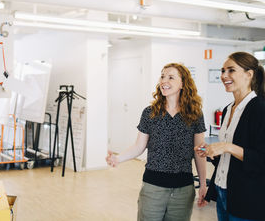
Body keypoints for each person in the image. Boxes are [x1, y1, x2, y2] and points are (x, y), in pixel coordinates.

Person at [106, 63, 207, 221]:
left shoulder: (195, 114)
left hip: (183, 189)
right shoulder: (150, 112)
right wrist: (118, 159)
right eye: (162, 76)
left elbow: (199, 152)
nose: (164, 80)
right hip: (153, 187)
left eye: (170, 77)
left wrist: (203, 184)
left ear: (183, 83)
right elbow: (139, 146)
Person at [195, 52, 265, 221]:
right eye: (223, 70)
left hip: (247, 197)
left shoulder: (260, 109)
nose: (224, 76)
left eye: (231, 70)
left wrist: (227, 146)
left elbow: (261, 159)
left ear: (249, 74)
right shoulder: (228, 109)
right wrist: (212, 151)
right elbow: (228, 158)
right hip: (222, 189)